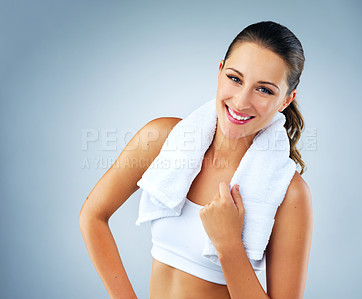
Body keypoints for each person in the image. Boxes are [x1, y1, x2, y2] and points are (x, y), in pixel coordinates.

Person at [79, 21, 313, 299]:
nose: (240, 102)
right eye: (235, 78)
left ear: (286, 100)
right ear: (219, 71)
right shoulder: (163, 138)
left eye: (264, 90)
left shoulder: (289, 193)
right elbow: (92, 216)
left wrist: (228, 245)